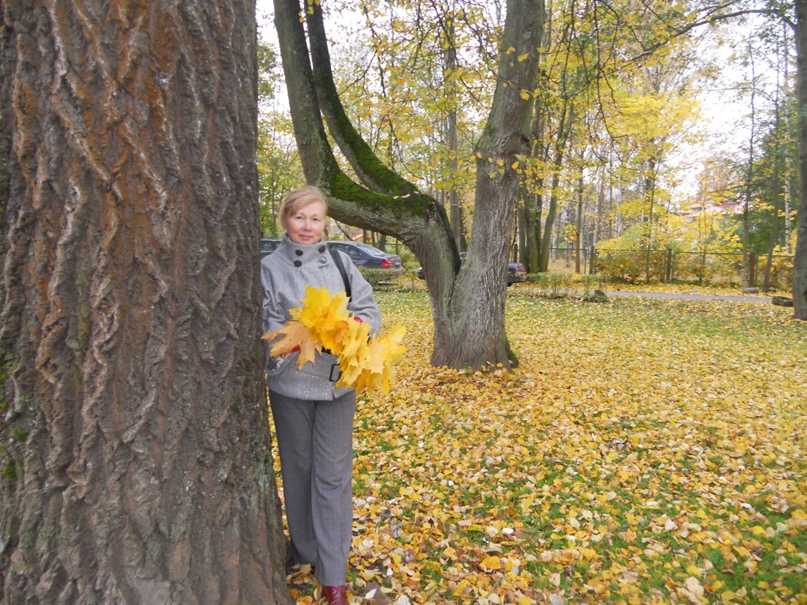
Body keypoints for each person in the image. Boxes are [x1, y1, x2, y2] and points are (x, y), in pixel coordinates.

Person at [261, 186, 382, 605]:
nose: (307, 226)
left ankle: (333, 576)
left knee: (333, 475)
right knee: (298, 470)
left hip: (337, 385)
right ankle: (305, 549)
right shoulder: (268, 268)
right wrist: (300, 338)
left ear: (325, 223)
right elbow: (265, 325)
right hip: (290, 385)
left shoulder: (342, 263)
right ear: (285, 219)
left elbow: (368, 310)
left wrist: (353, 328)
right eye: (299, 217)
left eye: (315, 218)